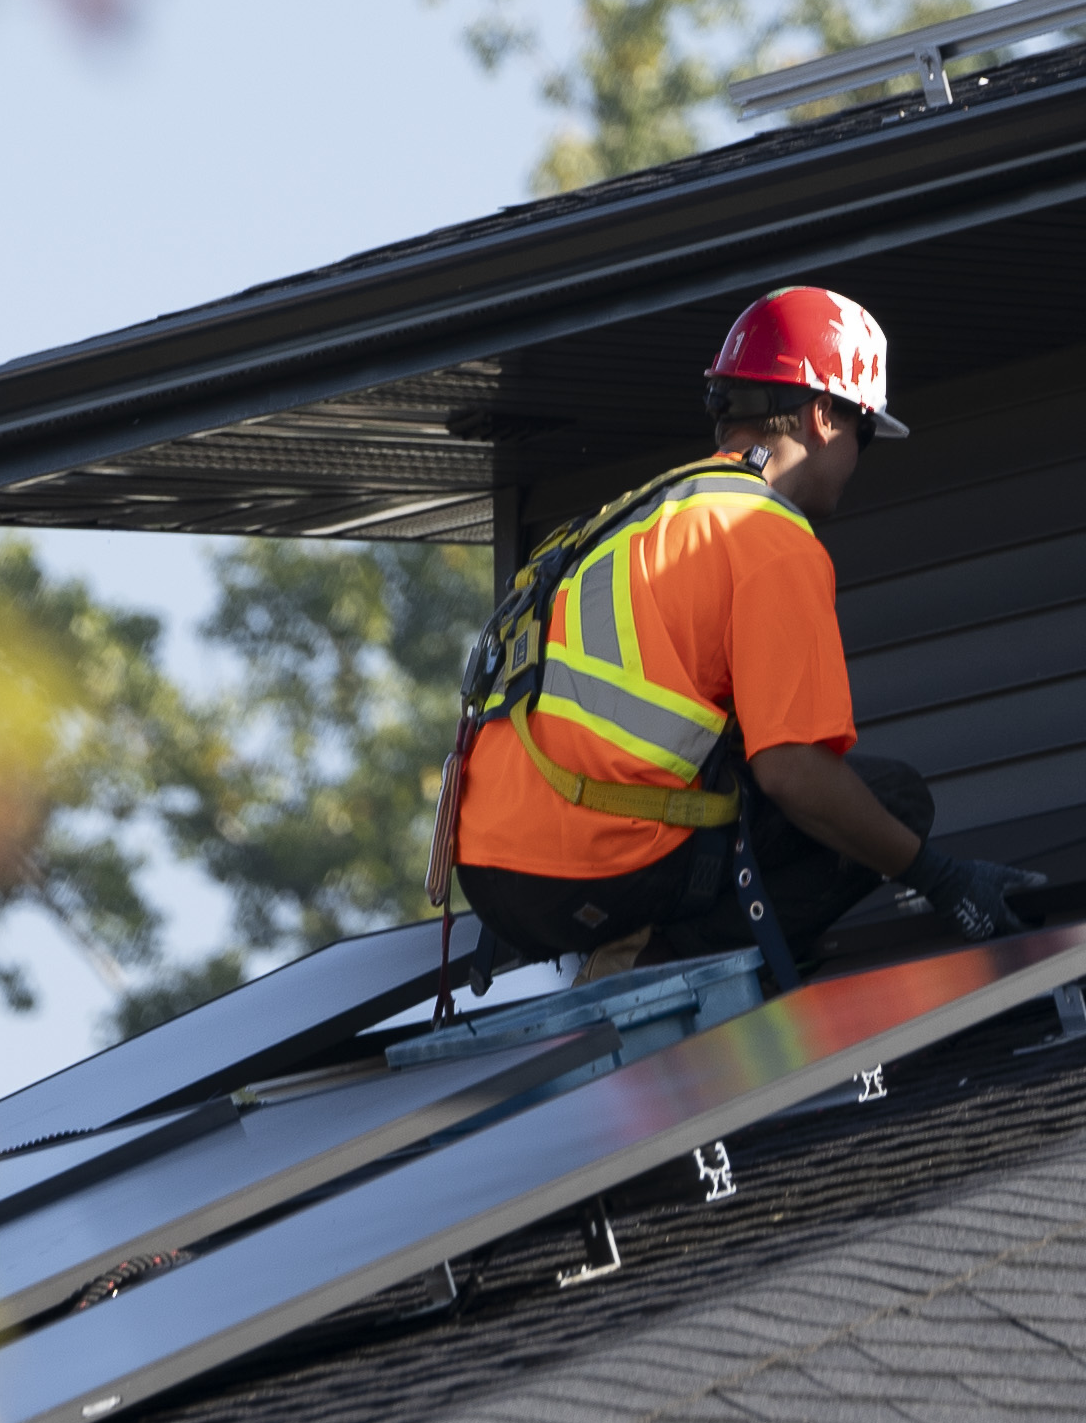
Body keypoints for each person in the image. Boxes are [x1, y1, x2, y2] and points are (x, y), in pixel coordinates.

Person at [444, 287, 1042, 981]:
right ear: (823, 416)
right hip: (587, 868)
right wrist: (939, 876)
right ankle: (656, 963)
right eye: (864, 432)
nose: (859, 456)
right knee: (895, 802)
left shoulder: (654, 511)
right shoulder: (770, 536)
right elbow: (794, 774)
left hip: (490, 876)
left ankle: (635, 940)